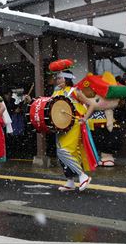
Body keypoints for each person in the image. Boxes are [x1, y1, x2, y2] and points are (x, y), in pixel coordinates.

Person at [46, 59, 92, 192]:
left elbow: (91, 104)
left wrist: (84, 118)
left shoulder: (74, 91)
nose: (57, 80)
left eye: (59, 78)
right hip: (60, 126)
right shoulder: (56, 92)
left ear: (66, 79)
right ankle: (70, 181)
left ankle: (83, 176)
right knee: (61, 153)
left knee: (64, 152)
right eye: (57, 78)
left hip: (74, 124)